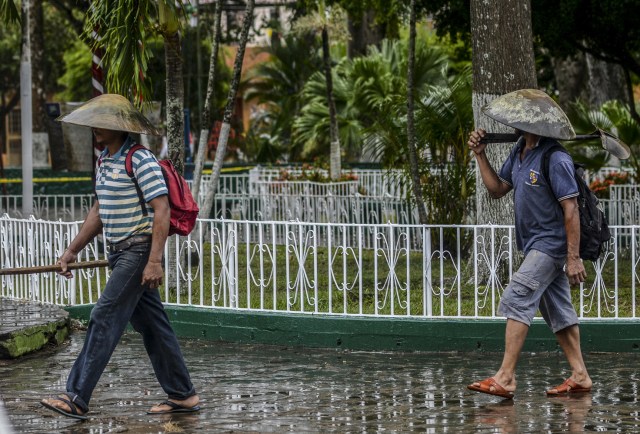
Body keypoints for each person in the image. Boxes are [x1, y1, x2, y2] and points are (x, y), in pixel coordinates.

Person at [41, 94, 200, 420]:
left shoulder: (140, 160)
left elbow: (162, 210)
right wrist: (72, 250)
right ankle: (183, 395)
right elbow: (99, 210)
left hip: (137, 252)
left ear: (120, 128)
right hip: (118, 253)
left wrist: (154, 261)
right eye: (95, 124)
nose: (97, 129)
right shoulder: (104, 161)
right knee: (153, 327)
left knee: (104, 315)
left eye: (104, 124)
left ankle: (76, 396)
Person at [466, 89, 592, 399]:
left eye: (520, 119)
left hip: (551, 246)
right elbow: (497, 189)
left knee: (517, 295)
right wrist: (481, 155)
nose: (514, 123)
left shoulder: (556, 158)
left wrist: (573, 257)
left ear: (533, 123)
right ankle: (580, 375)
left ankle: (506, 377)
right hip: (534, 244)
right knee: (559, 313)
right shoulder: (520, 151)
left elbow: (571, 209)